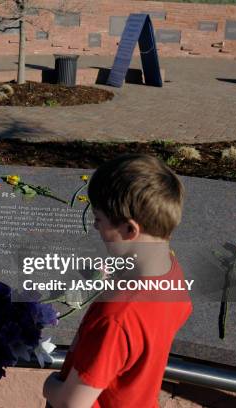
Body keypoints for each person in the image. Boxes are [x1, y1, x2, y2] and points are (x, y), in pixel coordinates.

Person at [43, 154, 192, 408]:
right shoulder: (171, 272)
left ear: (129, 230)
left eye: (99, 219)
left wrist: (49, 385)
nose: (95, 225)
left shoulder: (116, 317)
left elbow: (72, 403)